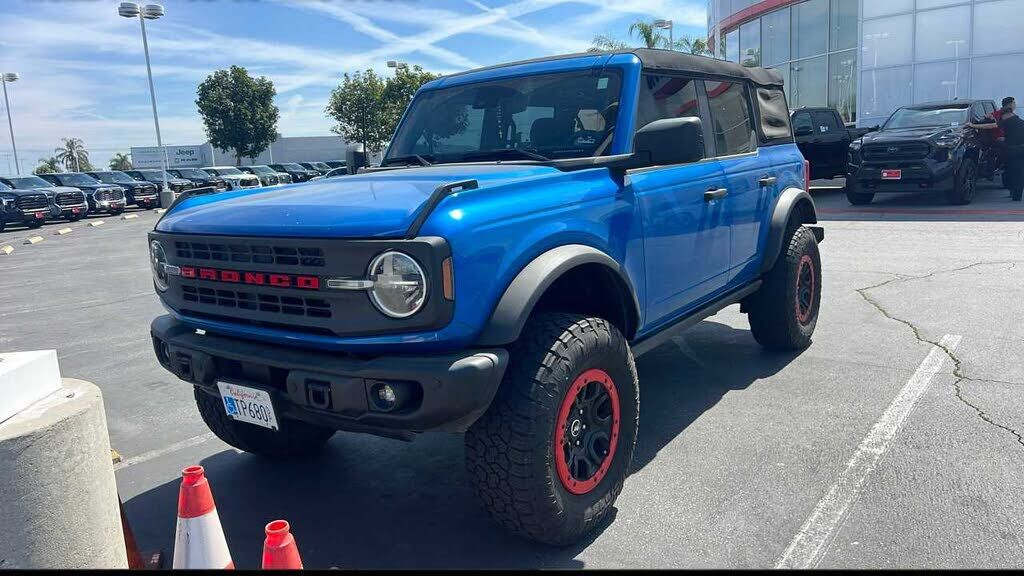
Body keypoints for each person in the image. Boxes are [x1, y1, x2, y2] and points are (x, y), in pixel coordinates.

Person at [970, 97, 1024, 201]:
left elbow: (991, 126)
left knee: (1013, 171)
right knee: (1017, 171)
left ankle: (1015, 194)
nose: (1001, 118)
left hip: (1013, 150)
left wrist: (973, 125)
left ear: (1006, 114)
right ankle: (1015, 193)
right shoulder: (1019, 121)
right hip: (1019, 149)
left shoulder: (1007, 121)